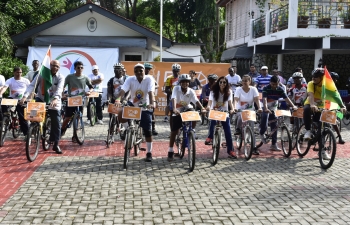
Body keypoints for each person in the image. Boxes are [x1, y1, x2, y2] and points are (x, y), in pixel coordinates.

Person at [20, 60, 64, 154]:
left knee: (56, 121)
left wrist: (56, 99)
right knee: (33, 116)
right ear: (49, 65)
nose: (55, 68)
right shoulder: (41, 74)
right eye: (53, 65)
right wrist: (24, 96)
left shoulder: (60, 77)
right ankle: (33, 129)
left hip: (54, 101)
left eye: (57, 66)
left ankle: (56, 144)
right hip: (41, 98)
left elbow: (59, 90)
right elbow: (32, 85)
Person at [114, 63, 155, 162]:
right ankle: (128, 129)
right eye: (136, 71)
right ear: (134, 72)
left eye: (140, 70)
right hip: (133, 104)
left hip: (145, 106)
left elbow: (151, 93)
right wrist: (118, 100)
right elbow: (123, 90)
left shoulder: (149, 79)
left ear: (144, 71)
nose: (138, 72)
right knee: (120, 113)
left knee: (148, 131)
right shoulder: (130, 79)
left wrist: (152, 103)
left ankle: (149, 152)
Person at [303, 68, 346, 153]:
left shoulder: (328, 85)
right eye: (313, 76)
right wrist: (312, 104)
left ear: (322, 78)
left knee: (321, 128)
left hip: (322, 106)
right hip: (311, 103)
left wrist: (342, 106)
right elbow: (310, 95)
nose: (313, 78)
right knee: (307, 109)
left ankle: (322, 151)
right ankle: (308, 130)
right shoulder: (311, 83)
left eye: (316, 76)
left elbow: (336, 95)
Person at [167, 74, 206, 161]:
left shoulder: (191, 91)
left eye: (186, 82)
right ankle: (170, 150)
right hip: (177, 109)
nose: (185, 84)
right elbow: (173, 98)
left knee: (195, 114)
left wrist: (203, 108)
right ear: (180, 83)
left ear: (189, 83)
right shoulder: (176, 89)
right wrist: (174, 109)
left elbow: (196, 101)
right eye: (183, 82)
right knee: (174, 131)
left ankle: (192, 130)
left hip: (187, 108)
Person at [258, 76, 297, 155]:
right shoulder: (266, 88)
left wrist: (293, 106)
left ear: (278, 83)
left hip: (274, 106)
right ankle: (262, 132)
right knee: (265, 117)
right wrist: (265, 108)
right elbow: (264, 99)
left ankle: (274, 144)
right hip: (265, 105)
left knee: (274, 125)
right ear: (270, 83)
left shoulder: (280, 89)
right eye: (273, 84)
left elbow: (287, 99)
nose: (274, 86)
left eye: (276, 84)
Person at [204, 76, 237, 158]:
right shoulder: (213, 91)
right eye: (221, 82)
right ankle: (210, 137)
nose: (222, 84)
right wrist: (208, 107)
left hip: (224, 113)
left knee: (228, 132)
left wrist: (232, 109)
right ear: (218, 83)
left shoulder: (229, 91)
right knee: (213, 121)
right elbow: (210, 102)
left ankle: (231, 150)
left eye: (224, 82)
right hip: (214, 111)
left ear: (227, 84)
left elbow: (230, 102)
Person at [61, 61, 94, 140]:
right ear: (75, 68)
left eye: (81, 67)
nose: (80, 69)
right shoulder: (69, 77)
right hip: (71, 99)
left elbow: (91, 87)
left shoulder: (85, 78)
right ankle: (62, 129)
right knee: (68, 117)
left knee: (78, 117)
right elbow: (63, 86)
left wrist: (89, 91)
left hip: (80, 99)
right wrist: (62, 94)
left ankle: (75, 136)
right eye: (78, 67)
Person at [0, 67, 30, 138]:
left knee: (22, 117)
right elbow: (4, 88)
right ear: (14, 73)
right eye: (17, 72)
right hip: (12, 99)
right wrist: (0, 93)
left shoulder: (25, 80)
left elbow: (30, 90)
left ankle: (27, 135)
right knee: (2, 102)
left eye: (20, 72)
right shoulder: (10, 80)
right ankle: (6, 116)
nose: (19, 74)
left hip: (22, 100)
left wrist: (30, 98)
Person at [330, 71, 345, 144]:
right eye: (333, 78)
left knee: (334, 122)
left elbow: (337, 96)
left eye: (335, 79)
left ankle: (340, 137)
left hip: (332, 104)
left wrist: (342, 106)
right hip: (322, 104)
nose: (335, 80)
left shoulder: (334, 87)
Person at [144, 62, 159, 135]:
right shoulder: (140, 76)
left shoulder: (151, 77)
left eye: (148, 69)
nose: (147, 71)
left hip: (150, 97)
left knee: (152, 112)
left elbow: (157, 85)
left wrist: (151, 88)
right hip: (141, 97)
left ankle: (153, 128)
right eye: (146, 69)